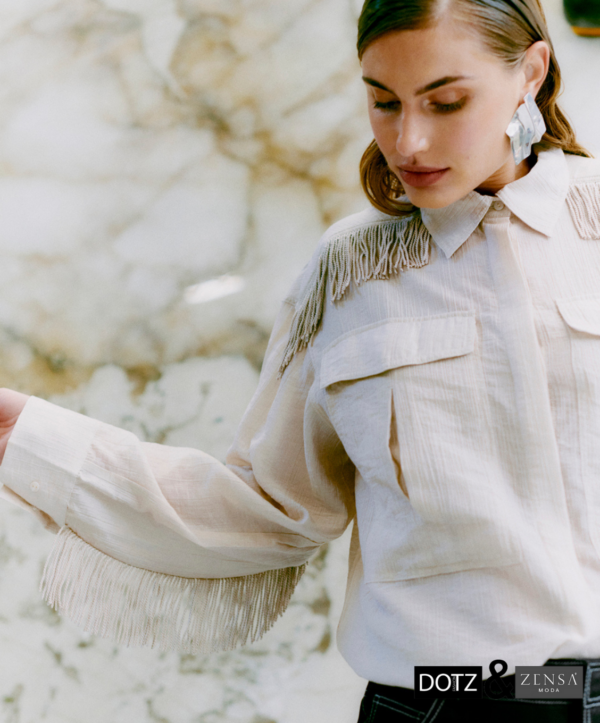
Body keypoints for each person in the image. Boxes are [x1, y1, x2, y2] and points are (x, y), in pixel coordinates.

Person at [0, 0, 598, 720]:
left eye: (447, 102)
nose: (407, 139)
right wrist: (30, 437)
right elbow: (265, 506)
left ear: (530, 73)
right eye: (383, 101)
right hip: (443, 705)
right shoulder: (352, 270)